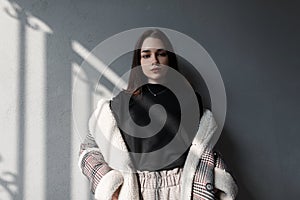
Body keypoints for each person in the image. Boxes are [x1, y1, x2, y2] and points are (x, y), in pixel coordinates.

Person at [78, 29, 238, 200]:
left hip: (182, 190)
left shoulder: (189, 100)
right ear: (138, 61)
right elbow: (89, 148)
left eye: (160, 54)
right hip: (137, 192)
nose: (154, 60)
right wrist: (110, 186)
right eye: (146, 55)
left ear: (169, 58)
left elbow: (206, 148)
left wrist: (214, 183)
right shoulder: (121, 103)